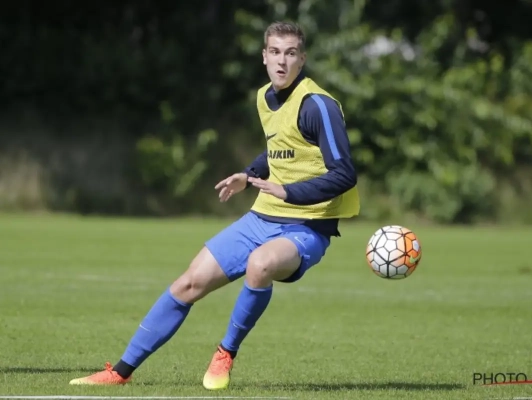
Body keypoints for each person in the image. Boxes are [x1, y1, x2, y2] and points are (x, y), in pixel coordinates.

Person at [69, 21, 360, 390]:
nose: (281, 61)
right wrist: (248, 174)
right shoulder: (265, 97)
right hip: (262, 217)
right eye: (274, 52)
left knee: (260, 265)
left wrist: (290, 192)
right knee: (188, 283)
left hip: (308, 225)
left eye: (290, 53)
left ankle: (225, 352)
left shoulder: (318, 105)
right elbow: (283, 148)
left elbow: (344, 174)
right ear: (264, 56)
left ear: (302, 59)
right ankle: (120, 372)